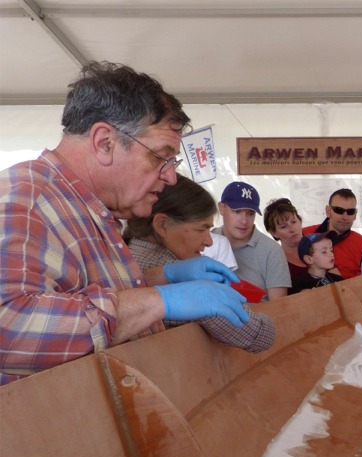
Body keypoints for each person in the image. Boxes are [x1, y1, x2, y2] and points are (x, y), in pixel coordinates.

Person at [0, 61, 248, 385]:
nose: (171, 177)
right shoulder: (24, 199)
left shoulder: (89, 208)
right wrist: (159, 301)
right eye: (160, 157)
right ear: (105, 142)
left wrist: (161, 279)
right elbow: (9, 326)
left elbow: (78, 290)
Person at [123, 175, 275, 353]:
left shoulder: (127, 254)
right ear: (162, 225)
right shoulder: (182, 281)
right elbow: (259, 335)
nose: (209, 241)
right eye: (201, 229)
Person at [214, 181, 290, 301]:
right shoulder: (204, 242)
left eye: (250, 213)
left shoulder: (272, 250)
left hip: (257, 318)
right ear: (221, 208)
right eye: (237, 211)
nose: (244, 221)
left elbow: (279, 307)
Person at [301, 188, 362, 278]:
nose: (345, 217)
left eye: (350, 212)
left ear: (355, 215)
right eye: (339, 210)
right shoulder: (304, 235)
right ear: (328, 211)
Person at [264, 197, 310, 285]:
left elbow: (339, 282)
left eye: (293, 222)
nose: (292, 229)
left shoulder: (318, 245)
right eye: (283, 226)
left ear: (300, 221)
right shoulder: (275, 262)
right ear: (274, 233)